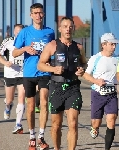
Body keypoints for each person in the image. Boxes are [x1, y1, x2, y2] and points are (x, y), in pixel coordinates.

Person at [37, 17, 86, 150]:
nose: (68, 29)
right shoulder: (52, 45)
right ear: (60, 29)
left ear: (73, 28)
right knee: (56, 125)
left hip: (73, 87)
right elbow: (40, 65)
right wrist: (53, 69)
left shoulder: (79, 47)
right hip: (56, 87)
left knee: (73, 123)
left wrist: (82, 69)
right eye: (65, 26)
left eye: (70, 27)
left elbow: (84, 63)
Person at [12, 3, 55, 150]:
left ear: (43, 14)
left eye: (40, 13)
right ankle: (32, 136)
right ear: (31, 15)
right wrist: (25, 48)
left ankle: (41, 137)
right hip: (29, 72)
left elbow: (53, 50)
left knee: (43, 102)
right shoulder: (25, 32)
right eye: (35, 13)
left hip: (44, 72)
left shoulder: (50, 32)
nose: (38, 15)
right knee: (30, 107)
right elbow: (14, 53)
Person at [83, 33, 119, 150]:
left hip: (111, 94)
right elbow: (86, 75)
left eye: (115, 44)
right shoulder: (95, 58)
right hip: (97, 94)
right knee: (95, 123)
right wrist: (96, 81)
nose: (114, 47)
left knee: (112, 119)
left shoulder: (116, 59)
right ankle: (95, 128)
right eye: (111, 44)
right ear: (103, 45)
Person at [0, 24, 25, 134]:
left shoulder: (27, 42)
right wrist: (5, 62)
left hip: (22, 73)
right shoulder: (8, 41)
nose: (19, 35)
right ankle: (8, 106)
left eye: (21, 33)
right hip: (10, 73)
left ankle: (18, 124)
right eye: (17, 32)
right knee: (9, 100)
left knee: (21, 98)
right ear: (14, 32)